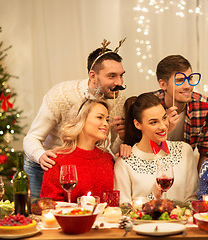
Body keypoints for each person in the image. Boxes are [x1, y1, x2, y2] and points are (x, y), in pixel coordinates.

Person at [23, 39, 129, 199]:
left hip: (84, 165)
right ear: (93, 76)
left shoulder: (118, 100)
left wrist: (121, 139)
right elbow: (32, 137)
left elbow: (107, 148)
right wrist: (41, 156)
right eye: (112, 76)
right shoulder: (61, 94)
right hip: (47, 163)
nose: (119, 83)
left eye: (121, 75)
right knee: (43, 213)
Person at [114, 93, 198, 203]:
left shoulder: (184, 151)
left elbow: (192, 199)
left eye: (164, 118)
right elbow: (123, 208)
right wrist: (153, 197)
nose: (163, 126)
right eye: (154, 122)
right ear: (138, 124)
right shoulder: (124, 162)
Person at [40, 99, 114, 202]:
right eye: (100, 117)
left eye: (107, 119)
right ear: (81, 120)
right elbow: (50, 204)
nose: (106, 124)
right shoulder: (57, 159)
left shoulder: (108, 159)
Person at [151, 55, 208, 172]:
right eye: (180, 80)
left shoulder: (204, 106)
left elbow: (207, 152)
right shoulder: (149, 106)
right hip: (152, 168)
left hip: (185, 170)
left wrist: (199, 185)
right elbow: (141, 148)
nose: (188, 86)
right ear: (163, 84)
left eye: (190, 79)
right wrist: (165, 128)